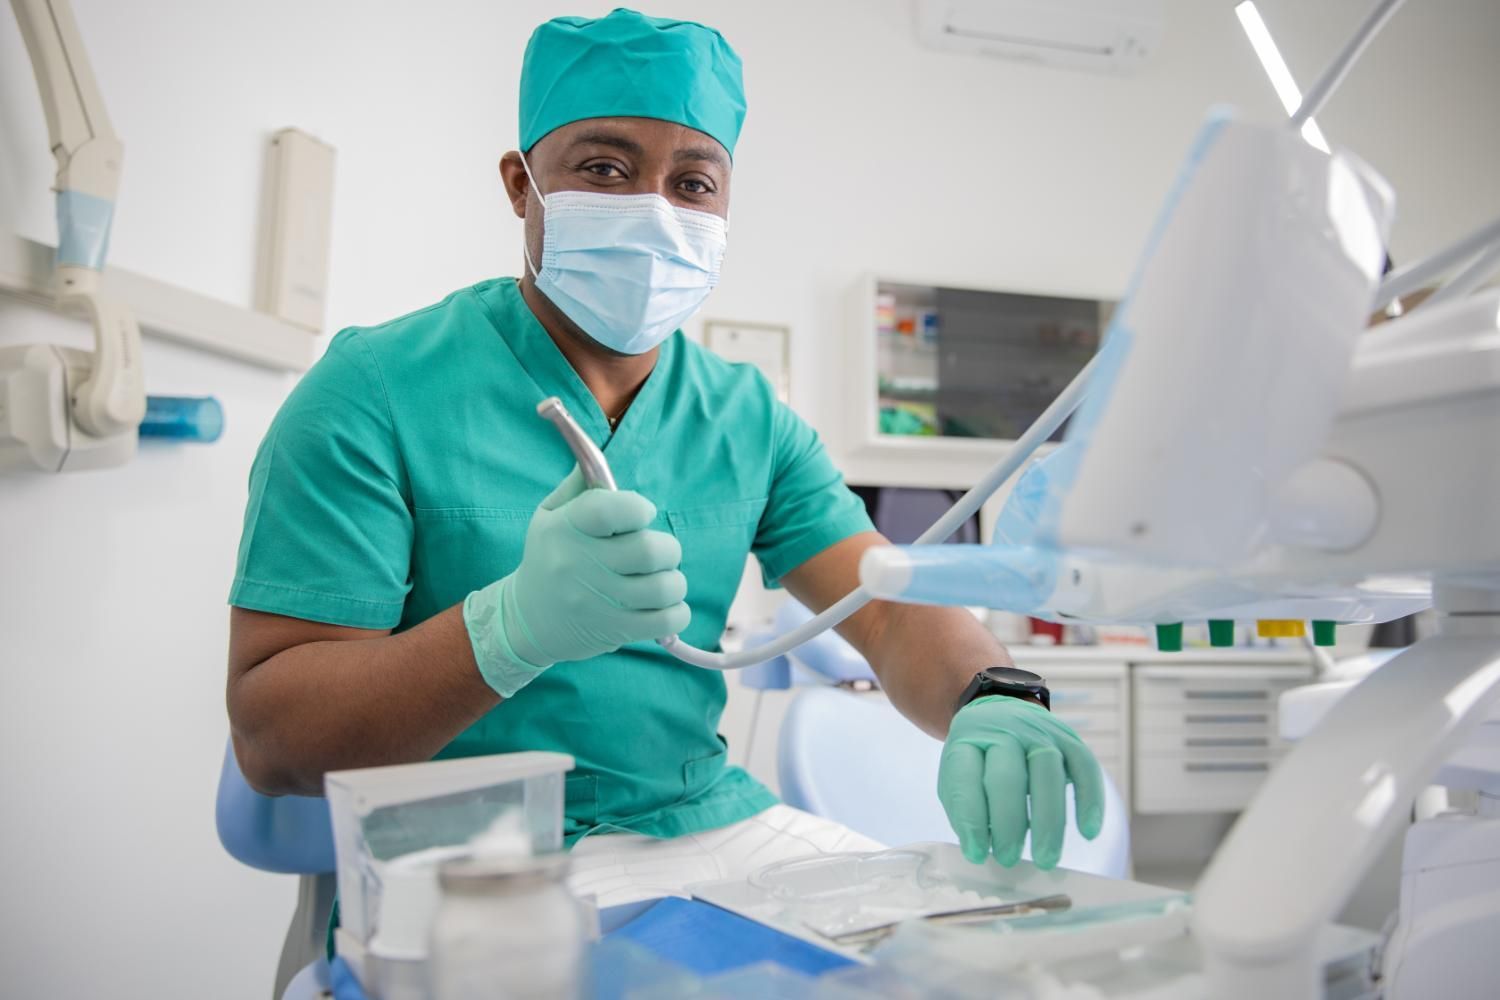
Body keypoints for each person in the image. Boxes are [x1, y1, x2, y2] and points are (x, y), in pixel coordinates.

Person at [226, 8, 1103, 908]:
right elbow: (273, 739)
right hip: (466, 853)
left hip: (704, 822)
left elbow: (881, 608)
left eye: (693, 182)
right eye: (604, 169)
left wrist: (993, 694)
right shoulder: (375, 388)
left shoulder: (746, 414)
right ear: (520, 185)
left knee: (946, 949)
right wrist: (509, 628)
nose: (652, 207)